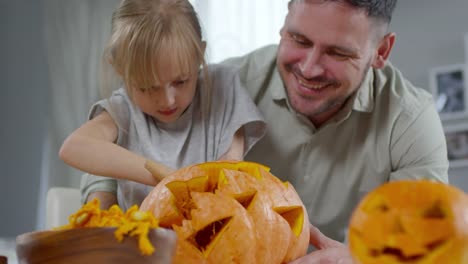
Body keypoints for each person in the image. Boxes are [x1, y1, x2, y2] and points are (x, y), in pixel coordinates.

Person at [81, 0, 450, 263]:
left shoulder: (410, 119)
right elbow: (130, 129)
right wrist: (102, 208)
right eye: (299, 40)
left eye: (337, 53)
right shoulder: (219, 87)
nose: (309, 68)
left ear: (381, 51)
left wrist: (358, 259)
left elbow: (430, 244)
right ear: (283, 24)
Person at [59, 0, 266, 211]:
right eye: (148, 87)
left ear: (200, 55)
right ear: (120, 69)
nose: (167, 100)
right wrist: (166, 177)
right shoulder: (122, 110)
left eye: (181, 81)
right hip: (140, 241)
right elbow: (73, 147)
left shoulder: (224, 87)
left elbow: (230, 168)